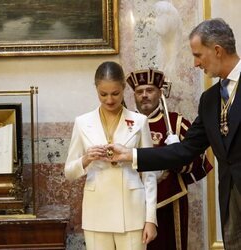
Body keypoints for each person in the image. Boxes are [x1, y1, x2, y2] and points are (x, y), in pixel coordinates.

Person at [105, 18, 241, 250]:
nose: (195, 63)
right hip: (231, 198)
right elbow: (185, 150)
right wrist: (132, 155)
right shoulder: (209, 100)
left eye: (198, 55)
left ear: (217, 50)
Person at [65, 61, 158, 250]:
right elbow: (69, 172)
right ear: (96, 89)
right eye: (103, 94)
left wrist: (150, 219)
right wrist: (87, 158)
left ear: (124, 88)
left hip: (132, 211)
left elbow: (150, 174)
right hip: (96, 211)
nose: (109, 100)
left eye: (115, 93)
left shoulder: (139, 121)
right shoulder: (82, 122)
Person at [126, 68, 212, 250]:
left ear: (160, 92)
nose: (144, 96)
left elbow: (199, 162)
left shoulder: (176, 123)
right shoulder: (125, 124)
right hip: (132, 203)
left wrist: (177, 155)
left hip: (170, 201)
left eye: (150, 90)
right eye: (139, 92)